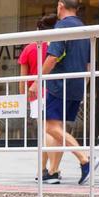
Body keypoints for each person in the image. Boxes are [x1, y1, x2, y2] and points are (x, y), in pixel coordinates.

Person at [30, 0, 97, 185]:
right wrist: (83, 84)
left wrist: (37, 81)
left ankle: (85, 160)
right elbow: (89, 64)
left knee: (51, 127)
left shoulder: (62, 26)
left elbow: (52, 57)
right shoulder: (84, 29)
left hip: (60, 84)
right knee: (57, 129)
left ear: (60, 6)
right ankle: (52, 171)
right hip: (77, 84)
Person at [19, 13, 58, 178]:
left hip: (35, 94)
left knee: (45, 133)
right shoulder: (55, 47)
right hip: (54, 91)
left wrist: (23, 97)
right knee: (51, 132)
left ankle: (47, 169)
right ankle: (48, 169)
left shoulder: (29, 48)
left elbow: (23, 77)